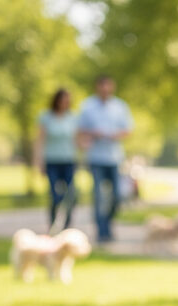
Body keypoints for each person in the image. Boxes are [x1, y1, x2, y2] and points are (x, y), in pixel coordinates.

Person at [77, 75, 133, 242]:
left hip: (115, 158)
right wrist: (93, 134)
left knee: (117, 196)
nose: (105, 90)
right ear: (97, 88)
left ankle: (108, 223)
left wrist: (115, 135)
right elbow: (80, 130)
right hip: (95, 158)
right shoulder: (87, 106)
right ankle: (102, 231)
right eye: (102, 87)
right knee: (99, 196)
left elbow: (128, 130)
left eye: (108, 86)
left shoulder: (120, 106)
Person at [33, 88, 78, 231]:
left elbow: (77, 139)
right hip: (52, 160)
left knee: (70, 194)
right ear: (57, 101)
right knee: (55, 195)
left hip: (69, 160)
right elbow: (40, 140)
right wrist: (38, 161)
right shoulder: (46, 117)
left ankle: (67, 224)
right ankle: (53, 223)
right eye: (63, 100)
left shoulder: (72, 118)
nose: (65, 103)